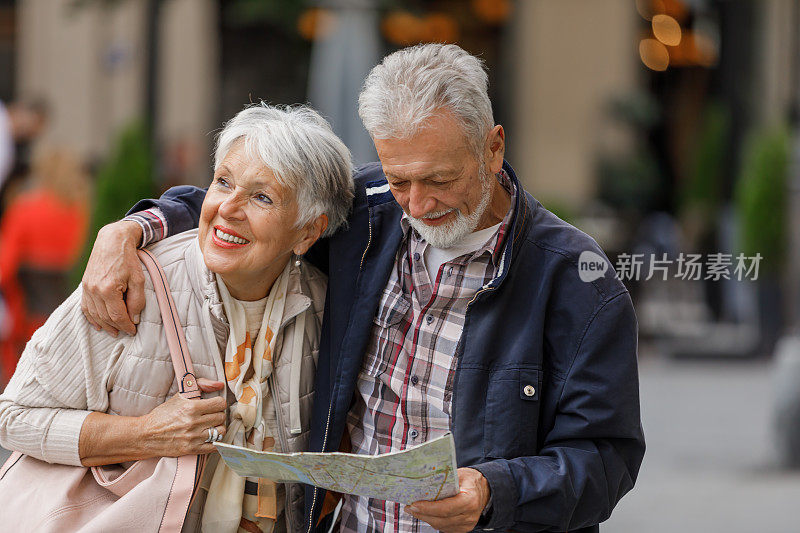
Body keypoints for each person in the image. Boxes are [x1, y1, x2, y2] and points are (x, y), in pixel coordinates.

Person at [81, 44, 645, 533]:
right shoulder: (369, 210)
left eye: (440, 180)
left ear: (493, 148)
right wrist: (129, 229)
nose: (418, 204)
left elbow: (606, 459)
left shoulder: (574, 278)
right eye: (401, 178)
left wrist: (493, 492)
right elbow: (244, 206)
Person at [0, 103, 354, 532]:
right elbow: (14, 416)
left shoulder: (325, 307)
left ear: (307, 233)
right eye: (223, 182)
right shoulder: (128, 283)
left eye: (262, 197)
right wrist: (145, 434)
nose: (228, 207)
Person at [0, 149, 90, 382]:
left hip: (25, 314)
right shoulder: (80, 212)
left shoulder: (25, 208)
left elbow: (4, 266)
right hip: (67, 312)